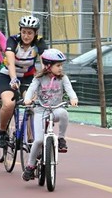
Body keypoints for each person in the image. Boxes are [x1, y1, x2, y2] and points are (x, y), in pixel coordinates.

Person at [22, 48, 78, 181]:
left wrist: (73, 98)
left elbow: (70, 90)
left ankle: (61, 139)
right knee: (39, 140)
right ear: (48, 66)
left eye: (61, 65)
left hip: (56, 109)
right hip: (41, 111)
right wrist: (27, 99)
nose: (60, 68)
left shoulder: (63, 78)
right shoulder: (39, 78)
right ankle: (30, 166)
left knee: (64, 113)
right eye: (58, 65)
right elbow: (31, 89)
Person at [0, 15, 47, 147]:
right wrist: (13, 79)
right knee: (8, 104)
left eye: (30, 33)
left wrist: (45, 79)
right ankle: (1, 131)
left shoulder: (39, 43)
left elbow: (45, 62)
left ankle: (31, 140)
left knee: (32, 105)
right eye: (23, 32)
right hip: (7, 75)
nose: (26, 36)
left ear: (35, 33)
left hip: (27, 76)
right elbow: (10, 62)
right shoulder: (13, 40)